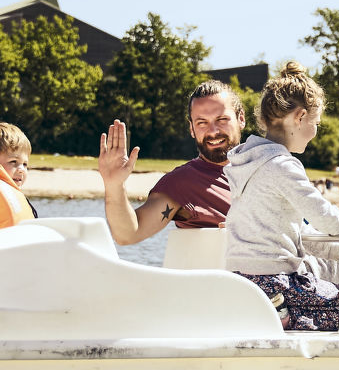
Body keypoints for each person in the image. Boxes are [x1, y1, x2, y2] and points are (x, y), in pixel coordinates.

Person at [224, 62, 339, 331]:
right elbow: (324, 216)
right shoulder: (281, 164)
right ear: (300, 116)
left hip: (241, 282)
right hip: (275, 282)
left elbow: (293, 230)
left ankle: (283, 313)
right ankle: (287, 316)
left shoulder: (246, 162)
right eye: (315, 123)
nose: (315, 131)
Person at [96, 81, 245, 246]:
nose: (213, 131)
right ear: (191, 128)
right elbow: (128, 234)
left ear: (241, 119)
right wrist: (114, 185)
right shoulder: (181, 183)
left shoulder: (266, 170)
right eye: (202, 123)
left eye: (222, 119)